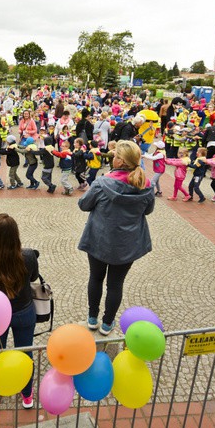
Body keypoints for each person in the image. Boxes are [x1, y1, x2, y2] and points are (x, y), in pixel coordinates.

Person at [78, 140, 154, 334]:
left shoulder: (103, 183)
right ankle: (107, 323)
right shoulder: (145, 184)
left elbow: (84, 204)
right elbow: (148, 210)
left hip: (99, 239)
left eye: (115, 156)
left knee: (95, 277)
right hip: (127, 244)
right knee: (116, 284)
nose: (112, 158)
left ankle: (92, 317)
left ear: (121, 161)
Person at [0, 213, 40, 409]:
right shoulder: (28, 256)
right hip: (24, 311)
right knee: (25, 352)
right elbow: (33, 277)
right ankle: (27, 394)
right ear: (16, 235)